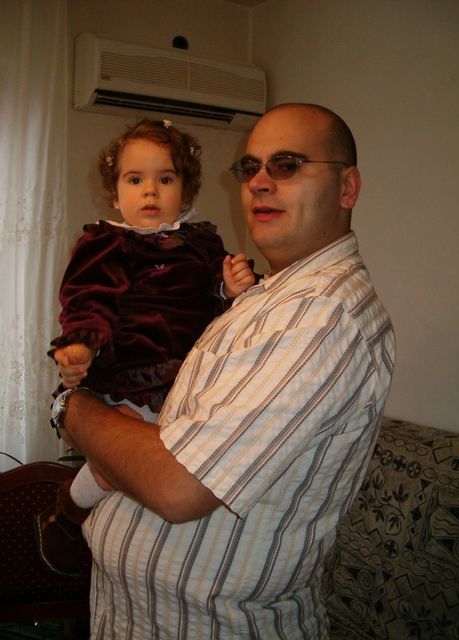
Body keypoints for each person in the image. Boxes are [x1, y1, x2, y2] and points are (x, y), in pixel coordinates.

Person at [54, 103, 395, 639]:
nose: (259, 182)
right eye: (250, 167)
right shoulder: (270, 298)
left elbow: (179, 486)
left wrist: (71, 407)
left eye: (287, 165)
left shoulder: (321, 315)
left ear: (347, 187)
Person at [35, 118, 255, 577]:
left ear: (186, 193)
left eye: (165, 179)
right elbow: (88, 299)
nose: (150, 191)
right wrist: (82, 344)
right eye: (135, 180)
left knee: (175, 456)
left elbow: (214, 301)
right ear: (116, 195)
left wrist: (230, 287)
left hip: (189, 376)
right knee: (125, 455)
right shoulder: (108, 244)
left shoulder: (202, 243)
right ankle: (68, 512)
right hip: (131, 373)